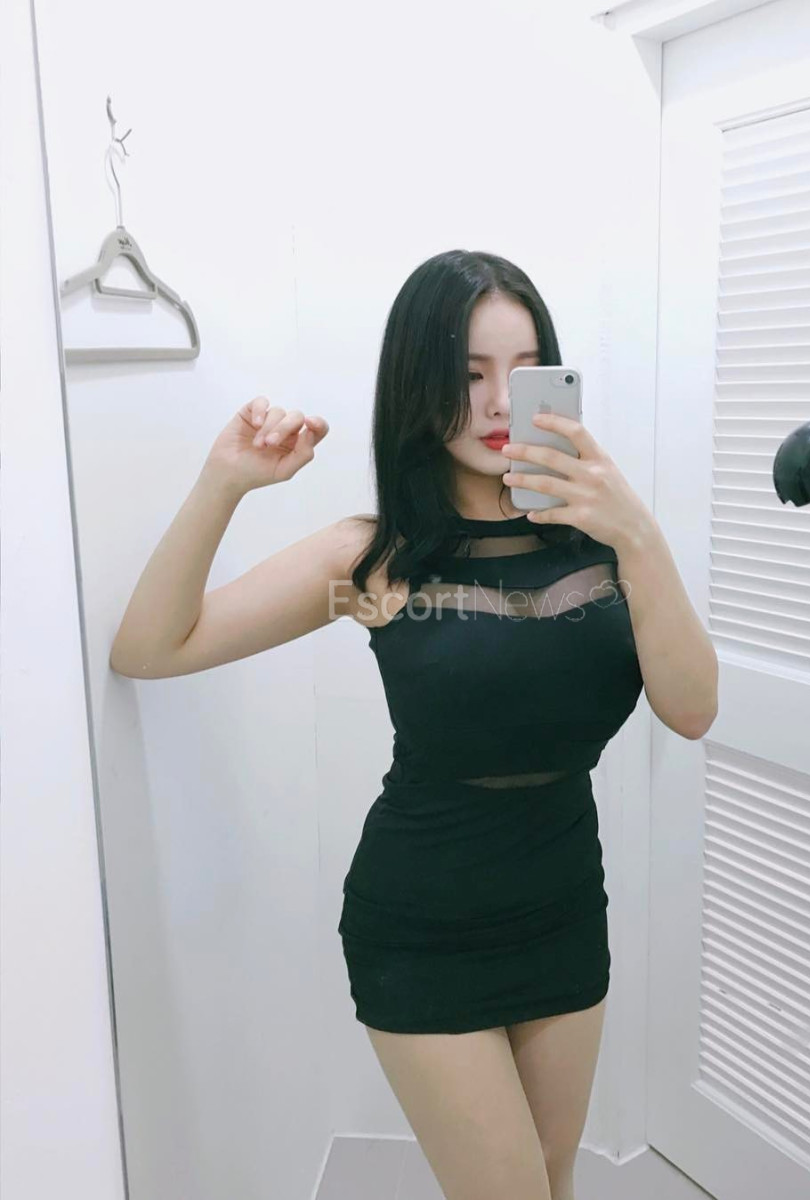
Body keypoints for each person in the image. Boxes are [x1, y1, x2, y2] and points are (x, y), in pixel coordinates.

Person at [110, 249, 648, 1200]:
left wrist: (634, 530)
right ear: (417, 383)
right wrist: (223, 484)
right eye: (468, 374)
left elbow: (691, 703)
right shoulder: (372, 564)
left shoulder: (601, 542)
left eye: (524, 370)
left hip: (564, 905)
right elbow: (153, 646)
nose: (498, 402)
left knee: (553, 1178)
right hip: (423, 923)